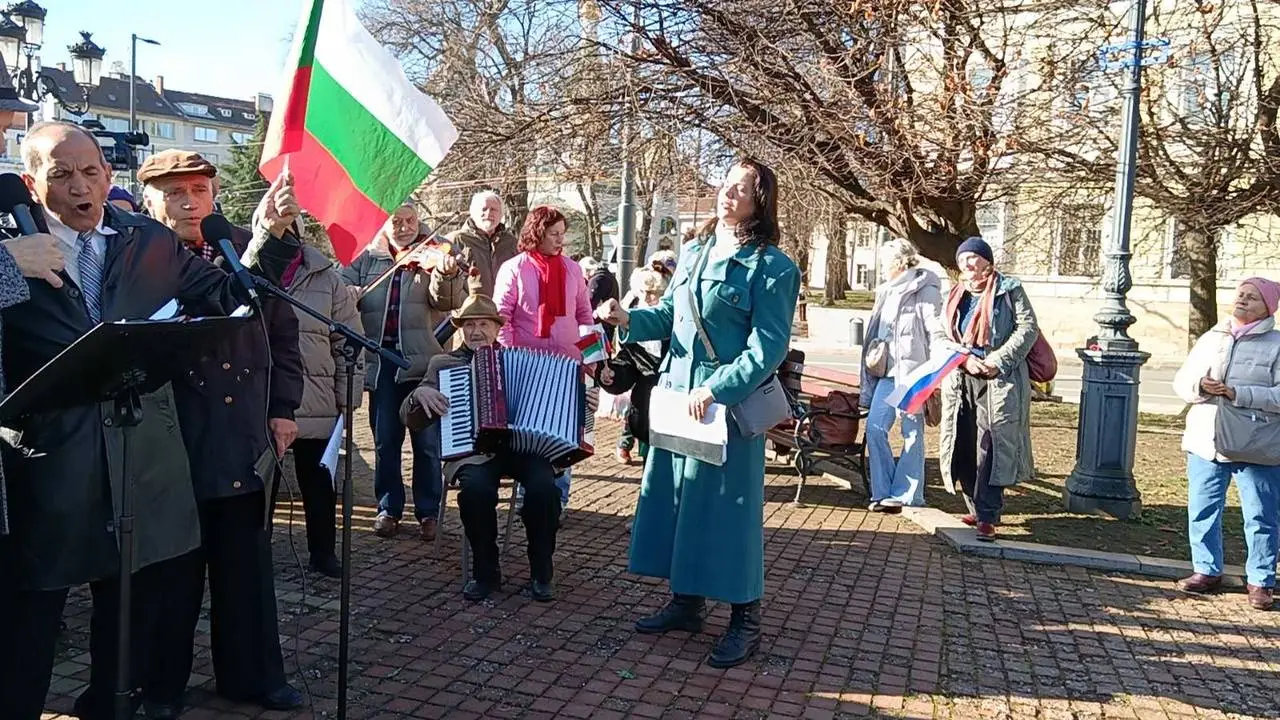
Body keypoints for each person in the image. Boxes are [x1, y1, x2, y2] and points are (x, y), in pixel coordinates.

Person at [0, 122, 299, 720]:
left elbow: (227, 296)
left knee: (132, 611)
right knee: (29, 619)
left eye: (90, 172)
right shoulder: (9, 243)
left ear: (109, 176)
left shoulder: (146, 242)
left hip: (139, 458)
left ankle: (110, 706)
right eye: (61, 175)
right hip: (48, 462)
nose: (80, 187)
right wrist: (7, 268)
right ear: (32, 184)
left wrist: (268, 235)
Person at [596, 157, 800, 669]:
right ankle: (686, 603)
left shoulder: (774, 267)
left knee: (729, 512)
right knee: (679, 500)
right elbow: (670, 316)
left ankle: (744, 619)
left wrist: (718, 388)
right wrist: (628, 317)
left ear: (760, 202)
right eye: (725, 185)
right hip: (674, 398)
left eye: (741, 189)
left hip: (722, 408)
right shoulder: (694, 251)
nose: (727, 194)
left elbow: (769, 346)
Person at [134, 149, 305, 715]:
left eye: (199, 190)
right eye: (175, 191)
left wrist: (283, 407)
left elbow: (284, 335)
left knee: (246, 571)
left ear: (214, 194)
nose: (189, 202)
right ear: (150, 199)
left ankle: (253, 676)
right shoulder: (133, 251)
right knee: (171, 576)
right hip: (171, 437)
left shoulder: (240, 247)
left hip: (239, 434)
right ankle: (161, 685)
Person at [400, 294, 563, 601]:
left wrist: (583, 403)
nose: (476, 331)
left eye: (483, 324)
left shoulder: (518, 361)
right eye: (469, 325)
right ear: (460, 329)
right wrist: (419, 395)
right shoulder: (443, 364)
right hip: (471, 451)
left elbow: (553, 402)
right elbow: (411, 418)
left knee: (544, 488)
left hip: (521, 447)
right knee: (475, 490)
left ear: (496, 328)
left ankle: (542, 570)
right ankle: (485, 571)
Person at [342, 203, 467, 540]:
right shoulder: (366, 257)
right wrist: (348, 295)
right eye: (397, 221)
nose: (405, 227)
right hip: (381, 361)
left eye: (411, 220)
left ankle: (428, 511)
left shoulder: (437, 251)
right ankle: (388, 507)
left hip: (422, 364)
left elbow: (449, 301)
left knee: (426, 443)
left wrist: (448, 273)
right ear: (384, 224)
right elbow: (340, 295)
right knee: (385, 440)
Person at [1171, 277, 1280, 611]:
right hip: (1206, 439)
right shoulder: (1213, 337)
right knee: (1202, 509)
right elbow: (1182, 382)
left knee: (1261, 515)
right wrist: (1200, 385)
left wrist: (1238, 393)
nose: (1243, 301)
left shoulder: (1277, 344)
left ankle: (1261, 581)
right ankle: (1205, 570)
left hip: (1256, 443)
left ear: (1268, 307)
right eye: (1240, 295)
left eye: (1252, 297)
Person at [273, 213, 363, 578]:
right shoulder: (250, 271)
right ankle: (253, 554)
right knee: (262, 487)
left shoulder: (328, 279)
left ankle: (323, 552)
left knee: (319, 485)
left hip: (318, 400)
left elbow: (350, 342)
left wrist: (348, 398)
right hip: (267, 400)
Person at [493, 206, 596, 516]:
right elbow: (502, 317)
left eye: (562, 234)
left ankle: (557, 500)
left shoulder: (573, 269)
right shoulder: (514, 268)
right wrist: (511, 357)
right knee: (532, 433)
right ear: (536, 233)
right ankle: (528, 496)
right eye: (553, 234)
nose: (559, 240)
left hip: (568, 366)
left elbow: (585, 315)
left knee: (565, 434)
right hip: (528, 367)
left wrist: (591, 362)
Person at [937, 236, 1037, 542]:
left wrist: (997, 360)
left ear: (988, 262)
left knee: (991, 445)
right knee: (964, 442)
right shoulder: (955, 293)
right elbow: (941, 334)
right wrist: (964, 360)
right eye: (963, 258)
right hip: (963, 376)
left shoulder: (1009, 290)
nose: (968, 263)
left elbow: (1028, 327)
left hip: (999, 380)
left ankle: (988, 514)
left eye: (974, 258)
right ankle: (975, 505)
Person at [860, 238, 943, 511]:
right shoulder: (886, 290)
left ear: (899, 262)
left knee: (912, 432)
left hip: (913, 373)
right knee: (875, 428)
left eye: (885, 263)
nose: (882, 268)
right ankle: (882, 491)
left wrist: (936, 370)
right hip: (887, 373)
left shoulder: (924, 287)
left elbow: (935, 330)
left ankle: (908, 494)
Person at [602, 264, 670, 465]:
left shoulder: (675, 320)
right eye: (645, 293)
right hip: (645, 411)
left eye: (655, 293)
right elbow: (627, 362)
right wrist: (611, 375)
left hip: (672, 407)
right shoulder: (631, 316)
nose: (649, 298)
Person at [450, 190, 518, 297]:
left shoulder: (512, 242)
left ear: (501, 215)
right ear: (473, 213)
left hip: (504, 310)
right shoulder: (456, 240)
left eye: (494, 210)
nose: (488, 213)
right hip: (469, 310)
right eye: (484, 209)